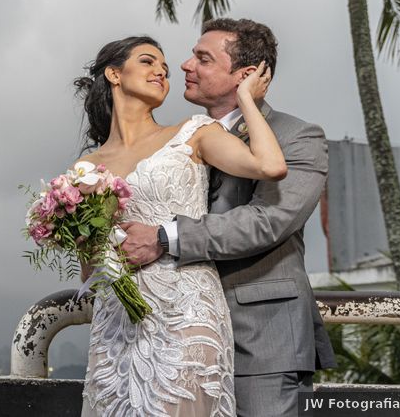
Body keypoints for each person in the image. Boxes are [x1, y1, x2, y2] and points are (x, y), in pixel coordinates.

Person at [118, 19, 336, 416]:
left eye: (203, 58)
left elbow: (267, 220)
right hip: (177, 333)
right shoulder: (178, 138)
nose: (184, 65)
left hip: (260, 337)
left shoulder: (298, 137)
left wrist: (164, 237)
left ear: (247, 75)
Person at [76, 31, 286, 417]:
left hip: (185, 309)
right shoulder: (86, 170)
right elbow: (91, 274)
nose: (161, 71)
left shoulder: (193, 133)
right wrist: (82, 224)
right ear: (114, 74)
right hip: (117, 322)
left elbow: (270, 166)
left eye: (165, 68)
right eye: (147, 61)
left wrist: (246, 99)